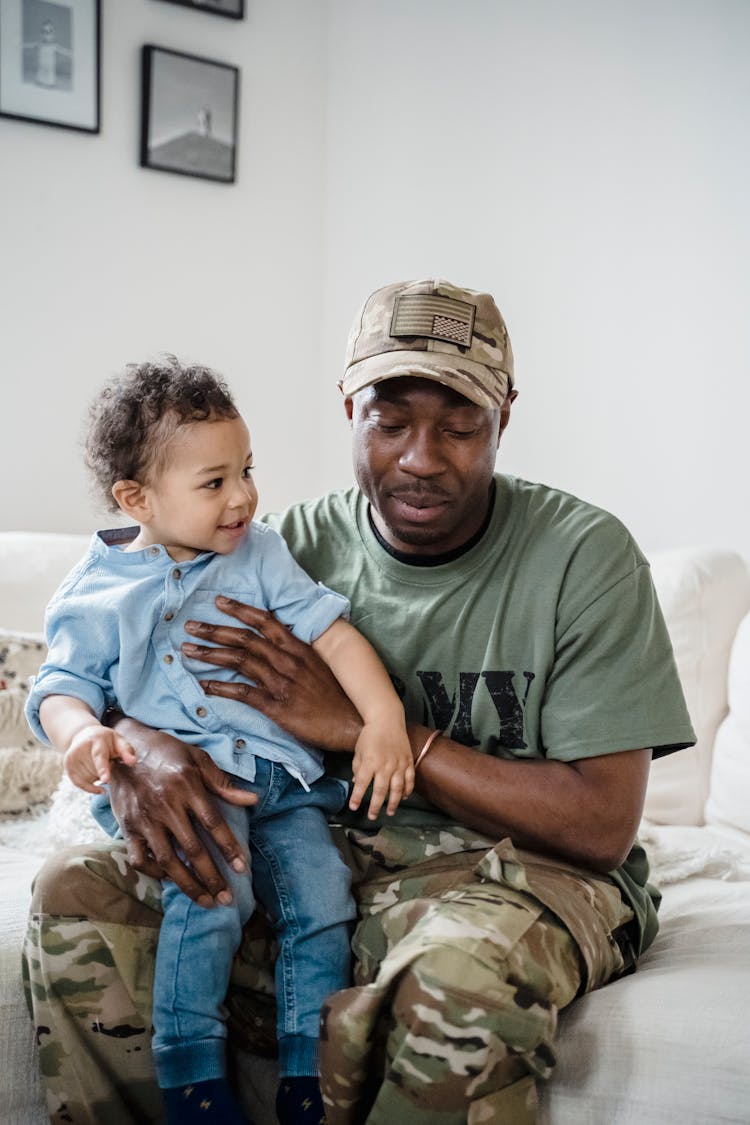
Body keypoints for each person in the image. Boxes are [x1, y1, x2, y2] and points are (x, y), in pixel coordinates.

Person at [24, 279, 695, 1125]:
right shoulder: (276, 547)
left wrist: (359, 725)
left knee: (453, 981)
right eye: (389, 421)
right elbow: (127, 671)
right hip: (324, 852)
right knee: (76, 887)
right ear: (348, 408)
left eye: (459, 426)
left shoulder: (584, 559)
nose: (421, 456)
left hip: (513, 872)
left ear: (506, 418)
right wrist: (132, 744)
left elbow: (602, 826)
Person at [24, 359, 414, 1125]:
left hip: (283, 781)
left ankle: (308, 1073)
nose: (242, 496)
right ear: (136, 497)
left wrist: (385, 721)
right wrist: (84, 736)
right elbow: (62, 687)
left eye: (247, 470)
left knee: (324, 897)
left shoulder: (258, 552)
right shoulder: (96, 589)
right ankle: (193, 1075)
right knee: (213, 896)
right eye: (213, 482)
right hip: (193, 791)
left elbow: (333, 638)